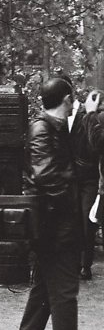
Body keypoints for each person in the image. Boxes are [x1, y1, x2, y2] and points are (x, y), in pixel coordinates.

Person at [15, 78, 104, 330]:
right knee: (65, 289)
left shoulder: (54, 128)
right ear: (66, 100)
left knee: (44, 284)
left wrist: (89, 116)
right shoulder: (42, 129)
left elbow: (84, 154)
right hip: (53, 225)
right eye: (73, 102)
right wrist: (74, 188)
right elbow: (46, 177)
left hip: (52, 222)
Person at [72, 89, 104, 280]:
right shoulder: (79, 117)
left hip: (92, 178)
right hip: (78, 175)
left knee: (87, 219)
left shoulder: (94, 118)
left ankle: (85, 264)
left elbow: (98, 144)